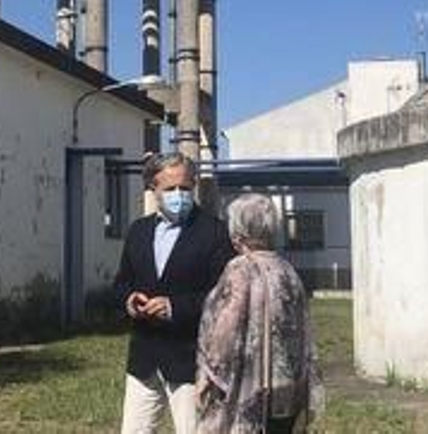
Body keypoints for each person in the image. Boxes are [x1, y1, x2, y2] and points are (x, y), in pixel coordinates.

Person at [113, 152, 236, 434]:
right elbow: (121, 283)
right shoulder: (138, 231)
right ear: (153, 189)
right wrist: (128, 300)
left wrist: (175, 307)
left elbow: (224, 296)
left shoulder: (215, 233)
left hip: (191, 361)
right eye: (169, 189)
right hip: (144, 359)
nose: (178, 195)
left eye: (184, 188)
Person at [195, 194, 322, 433]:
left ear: (237, 232)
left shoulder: (240, 268)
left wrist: (209, 373)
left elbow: (226, 327)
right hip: (287, 383)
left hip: (250, 385)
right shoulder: (286, 269)